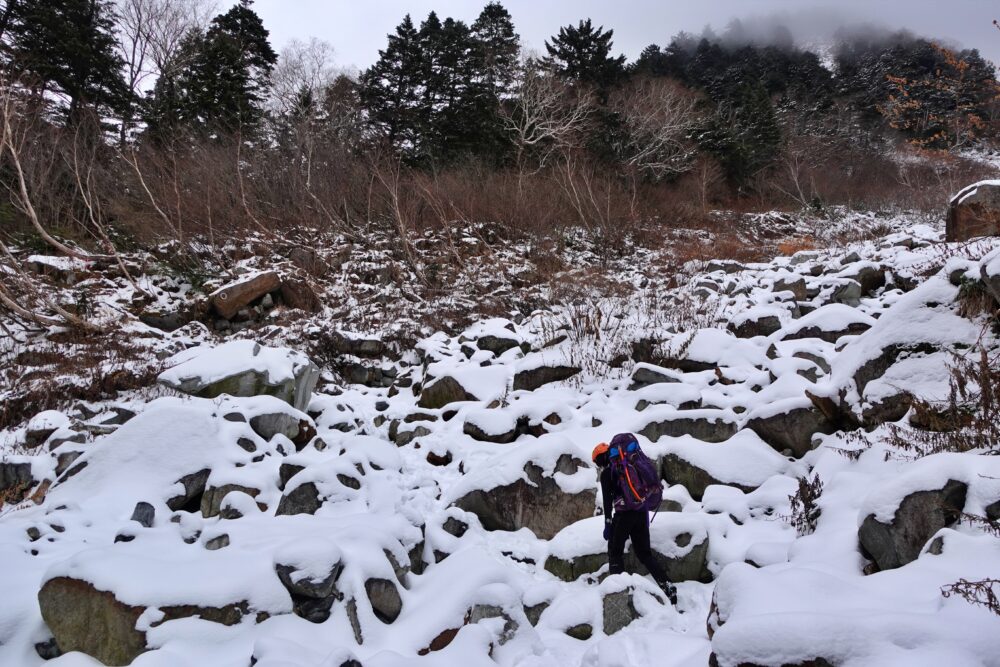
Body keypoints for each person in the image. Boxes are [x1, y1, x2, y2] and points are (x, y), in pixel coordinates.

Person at [593, 433, 678, 606]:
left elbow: (608, 504)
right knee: (644, 554)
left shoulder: (608, 473)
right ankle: (667, 584)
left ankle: (617, 595)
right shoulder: (626, 465)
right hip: (640, 511)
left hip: (624, 515)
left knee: (615, 551)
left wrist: (608, 524)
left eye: (597, 462)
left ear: (601, 459)